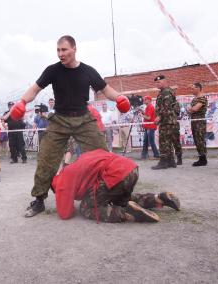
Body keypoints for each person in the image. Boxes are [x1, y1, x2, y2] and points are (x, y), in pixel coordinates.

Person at [9, 35, 130, 217]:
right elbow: (35, 89)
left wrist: (120, 98)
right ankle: (39, 200)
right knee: (46, 158)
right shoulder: (52, 70)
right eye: (58, 50)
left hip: (84, 119)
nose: (60, 54)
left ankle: (110, 195)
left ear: (74, 49)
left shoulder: (88, 71)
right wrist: (22, 102)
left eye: (64, 50)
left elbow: (105, 90)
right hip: (60, 120)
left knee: (103, 157)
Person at [52, 149, 180, 222]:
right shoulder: (80, 160)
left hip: (115, 176)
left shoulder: (62, 181)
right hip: (131, 169)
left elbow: (65, 214)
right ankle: (158, 198)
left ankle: (126, 213)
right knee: (118, 197)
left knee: (86, 208)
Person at [152, 75, 181, 170]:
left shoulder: (166, 92)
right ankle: (171, 161)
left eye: (159, 82)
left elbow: (167, 107)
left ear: (165, 81)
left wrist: (159, 117)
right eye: (156, 82)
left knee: (163, 141)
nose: (157, 84)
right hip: (168, 120)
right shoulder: (163, 92)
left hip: (166, 121)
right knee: (168, 141)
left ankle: (163, 162)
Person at [187, 83, 208, 166]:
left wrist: (191, 109)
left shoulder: (202, 98)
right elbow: (191, 110)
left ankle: (203, 159)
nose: (191, 90)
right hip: (194, 120)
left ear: (198, 88)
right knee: (196, 139)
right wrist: (191, 110)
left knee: (200, 139)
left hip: (199, 121)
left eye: (193, 88)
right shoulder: (195, 99)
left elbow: (195, 109)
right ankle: (201, 157)